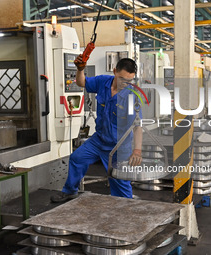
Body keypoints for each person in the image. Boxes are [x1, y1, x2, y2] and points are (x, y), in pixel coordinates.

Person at [50, 56, 143, 203]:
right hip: (99, 140)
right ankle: (70, 191)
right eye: (122, 78)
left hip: (118, 146)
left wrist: (137, 150)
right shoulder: (102, 82)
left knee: (119, 181)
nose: (125, 83)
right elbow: (82, 82)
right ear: (114, 72)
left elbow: (137, 126)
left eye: (129, 81)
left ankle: (127, 206)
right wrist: (80, 69)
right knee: (77, 158)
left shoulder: (131, 96)